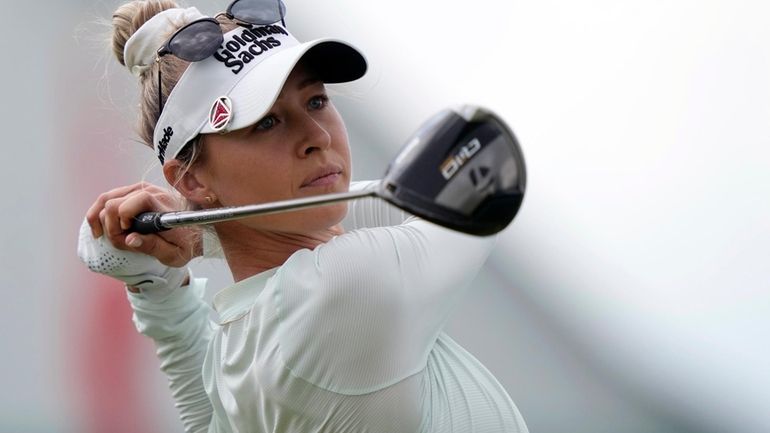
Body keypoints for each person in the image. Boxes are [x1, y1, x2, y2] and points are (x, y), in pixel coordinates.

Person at [77, 0, 529, 432]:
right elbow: (480, 183)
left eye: (315, 101)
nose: (316, 136)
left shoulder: (243, 343)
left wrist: (160, 285)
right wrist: (192, 243)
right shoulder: (345, 288)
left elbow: (206, 417)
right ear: (191, 181)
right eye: (267, 123)